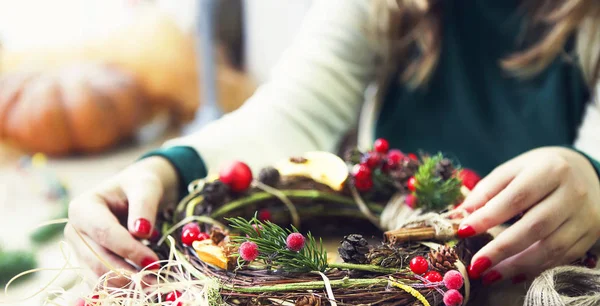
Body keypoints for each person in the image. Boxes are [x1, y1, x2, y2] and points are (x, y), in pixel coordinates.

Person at [66, 0, 600, 287]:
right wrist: (167, 169)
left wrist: (590, 173)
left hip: (542, 293)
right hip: (392, 287)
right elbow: (295, 113)